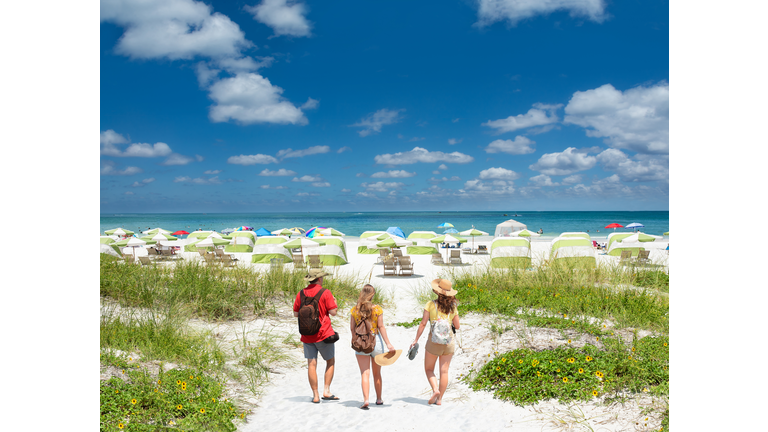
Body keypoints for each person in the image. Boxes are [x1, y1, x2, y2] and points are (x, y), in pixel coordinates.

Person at [409, 279, 460, 405]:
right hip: (448, 343)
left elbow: (423, 324)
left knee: (429, 369)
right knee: (444, 371)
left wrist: (416, 340)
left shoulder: (431, 305)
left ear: (437, 292)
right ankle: (440, 399)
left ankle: (435, 389)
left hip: (433, 342)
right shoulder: (453, 307)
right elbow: (457, 326)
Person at [293, 268, 339, 404]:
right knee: (330, 361)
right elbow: (333, 312)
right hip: (324, 334)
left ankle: (315, 395)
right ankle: (326, 390)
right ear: (319, 279)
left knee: (311, 365)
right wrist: (335, 302)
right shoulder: (325, 292)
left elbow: (296, 314)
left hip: (307, 335)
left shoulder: (301, 293)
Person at [350, 284, 395, 410]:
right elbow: (381, 327)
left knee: (365, 373)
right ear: (372, 295)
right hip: (376, 342)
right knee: (377, 373)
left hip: (361, 343)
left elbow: (352, 329)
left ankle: (366, 400)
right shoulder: (377, 309)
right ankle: (379, 399)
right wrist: (388, 344)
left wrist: (356, 341)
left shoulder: (355, 310)